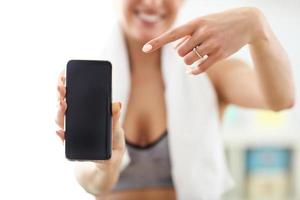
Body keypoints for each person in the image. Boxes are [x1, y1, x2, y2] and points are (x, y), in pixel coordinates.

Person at [55, 0, 295, 199]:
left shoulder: (210, 69)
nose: (152, 3)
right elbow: (93, 184)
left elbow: (281, 99)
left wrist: (257, 28)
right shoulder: (85, 76)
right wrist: (104, 165)